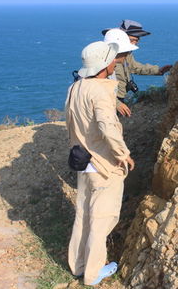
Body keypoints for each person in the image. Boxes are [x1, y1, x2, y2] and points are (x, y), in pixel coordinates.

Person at [65, 34, 137, 286]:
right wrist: (123, 154)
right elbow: (107, 127)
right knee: (102, 217)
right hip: (104, 163)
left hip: (82, 159)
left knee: (83, 213)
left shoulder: (75, 87)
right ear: (105, 65)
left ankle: (77, 264)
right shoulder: (101, 91)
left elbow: (71, 123)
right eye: (112, 61)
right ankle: (93, 273)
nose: (115, 64)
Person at [102, 20, 173, 117]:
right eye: (132, 40)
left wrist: (158, 70)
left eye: (137, 40)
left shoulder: (126, 53)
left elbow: (134, 67)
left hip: (119, 95)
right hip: (109, 99)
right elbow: (98, 84)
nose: (135, 44)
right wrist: (116, 103)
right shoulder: (105, 56)